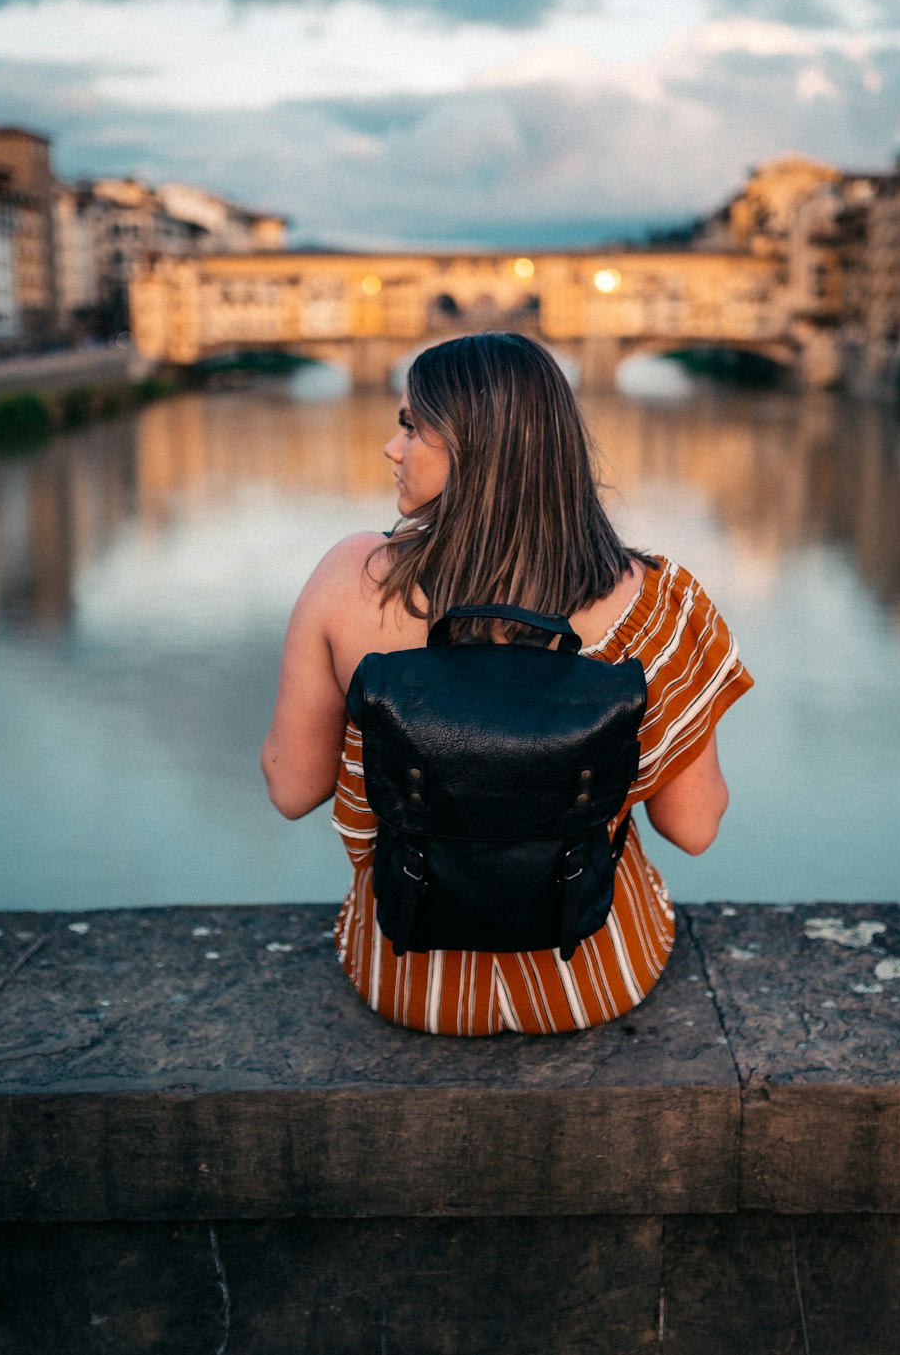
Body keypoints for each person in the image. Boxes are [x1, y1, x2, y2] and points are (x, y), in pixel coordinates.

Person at [261, 331, 752, 1034]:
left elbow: (290, 788)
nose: (391, 448)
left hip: (405, 977)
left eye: (410, 427)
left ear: (473, 447)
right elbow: (694, 825)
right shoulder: (653, 602)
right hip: (592, 976)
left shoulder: (350, 578)